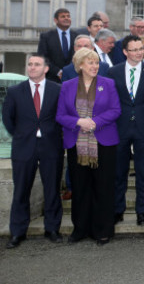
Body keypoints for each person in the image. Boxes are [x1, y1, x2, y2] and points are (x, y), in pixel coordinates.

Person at [56, 48, 121, 245]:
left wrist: (95, 121)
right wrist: (79, 122)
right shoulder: (67, 86)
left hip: (104, 143)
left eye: (96, 63)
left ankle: (103, 230)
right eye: (90, 63)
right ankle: (80, 229)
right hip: (77, 143)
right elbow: (60, 115)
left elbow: (116, 110)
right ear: (80, 65)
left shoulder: (107, 84)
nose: (95, 66)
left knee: (103, 188)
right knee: (81, 188)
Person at [3, 54, 64, 249]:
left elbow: (63, 116)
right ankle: (17, 232)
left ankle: (52, 228)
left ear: (46, 68)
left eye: (36, 64)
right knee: (21, 190)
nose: (32, 67)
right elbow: (8, 119)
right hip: (24, 147)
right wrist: (22, 135)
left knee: (52, 189)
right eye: (30, 64)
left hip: (51, 146)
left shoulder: (58, 90)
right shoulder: (14, 91)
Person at [108, 35, 144, 227]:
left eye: (141, 49)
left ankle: (141, 211)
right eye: (134, 49)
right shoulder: (113, 72)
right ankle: (117, 210)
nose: (139, 53)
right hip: (119, 129)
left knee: (142, 173)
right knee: (118, 172)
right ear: (125, 52)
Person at [37, 8, 78, 82]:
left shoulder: (77, 36)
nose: (66, 18)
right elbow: (42, 57)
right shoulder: (46, 37)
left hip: (73, 79)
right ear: (56, 20)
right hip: (52, 79)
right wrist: (58, 72)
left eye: (68, 16)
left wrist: (69, 71)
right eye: (63, 16)